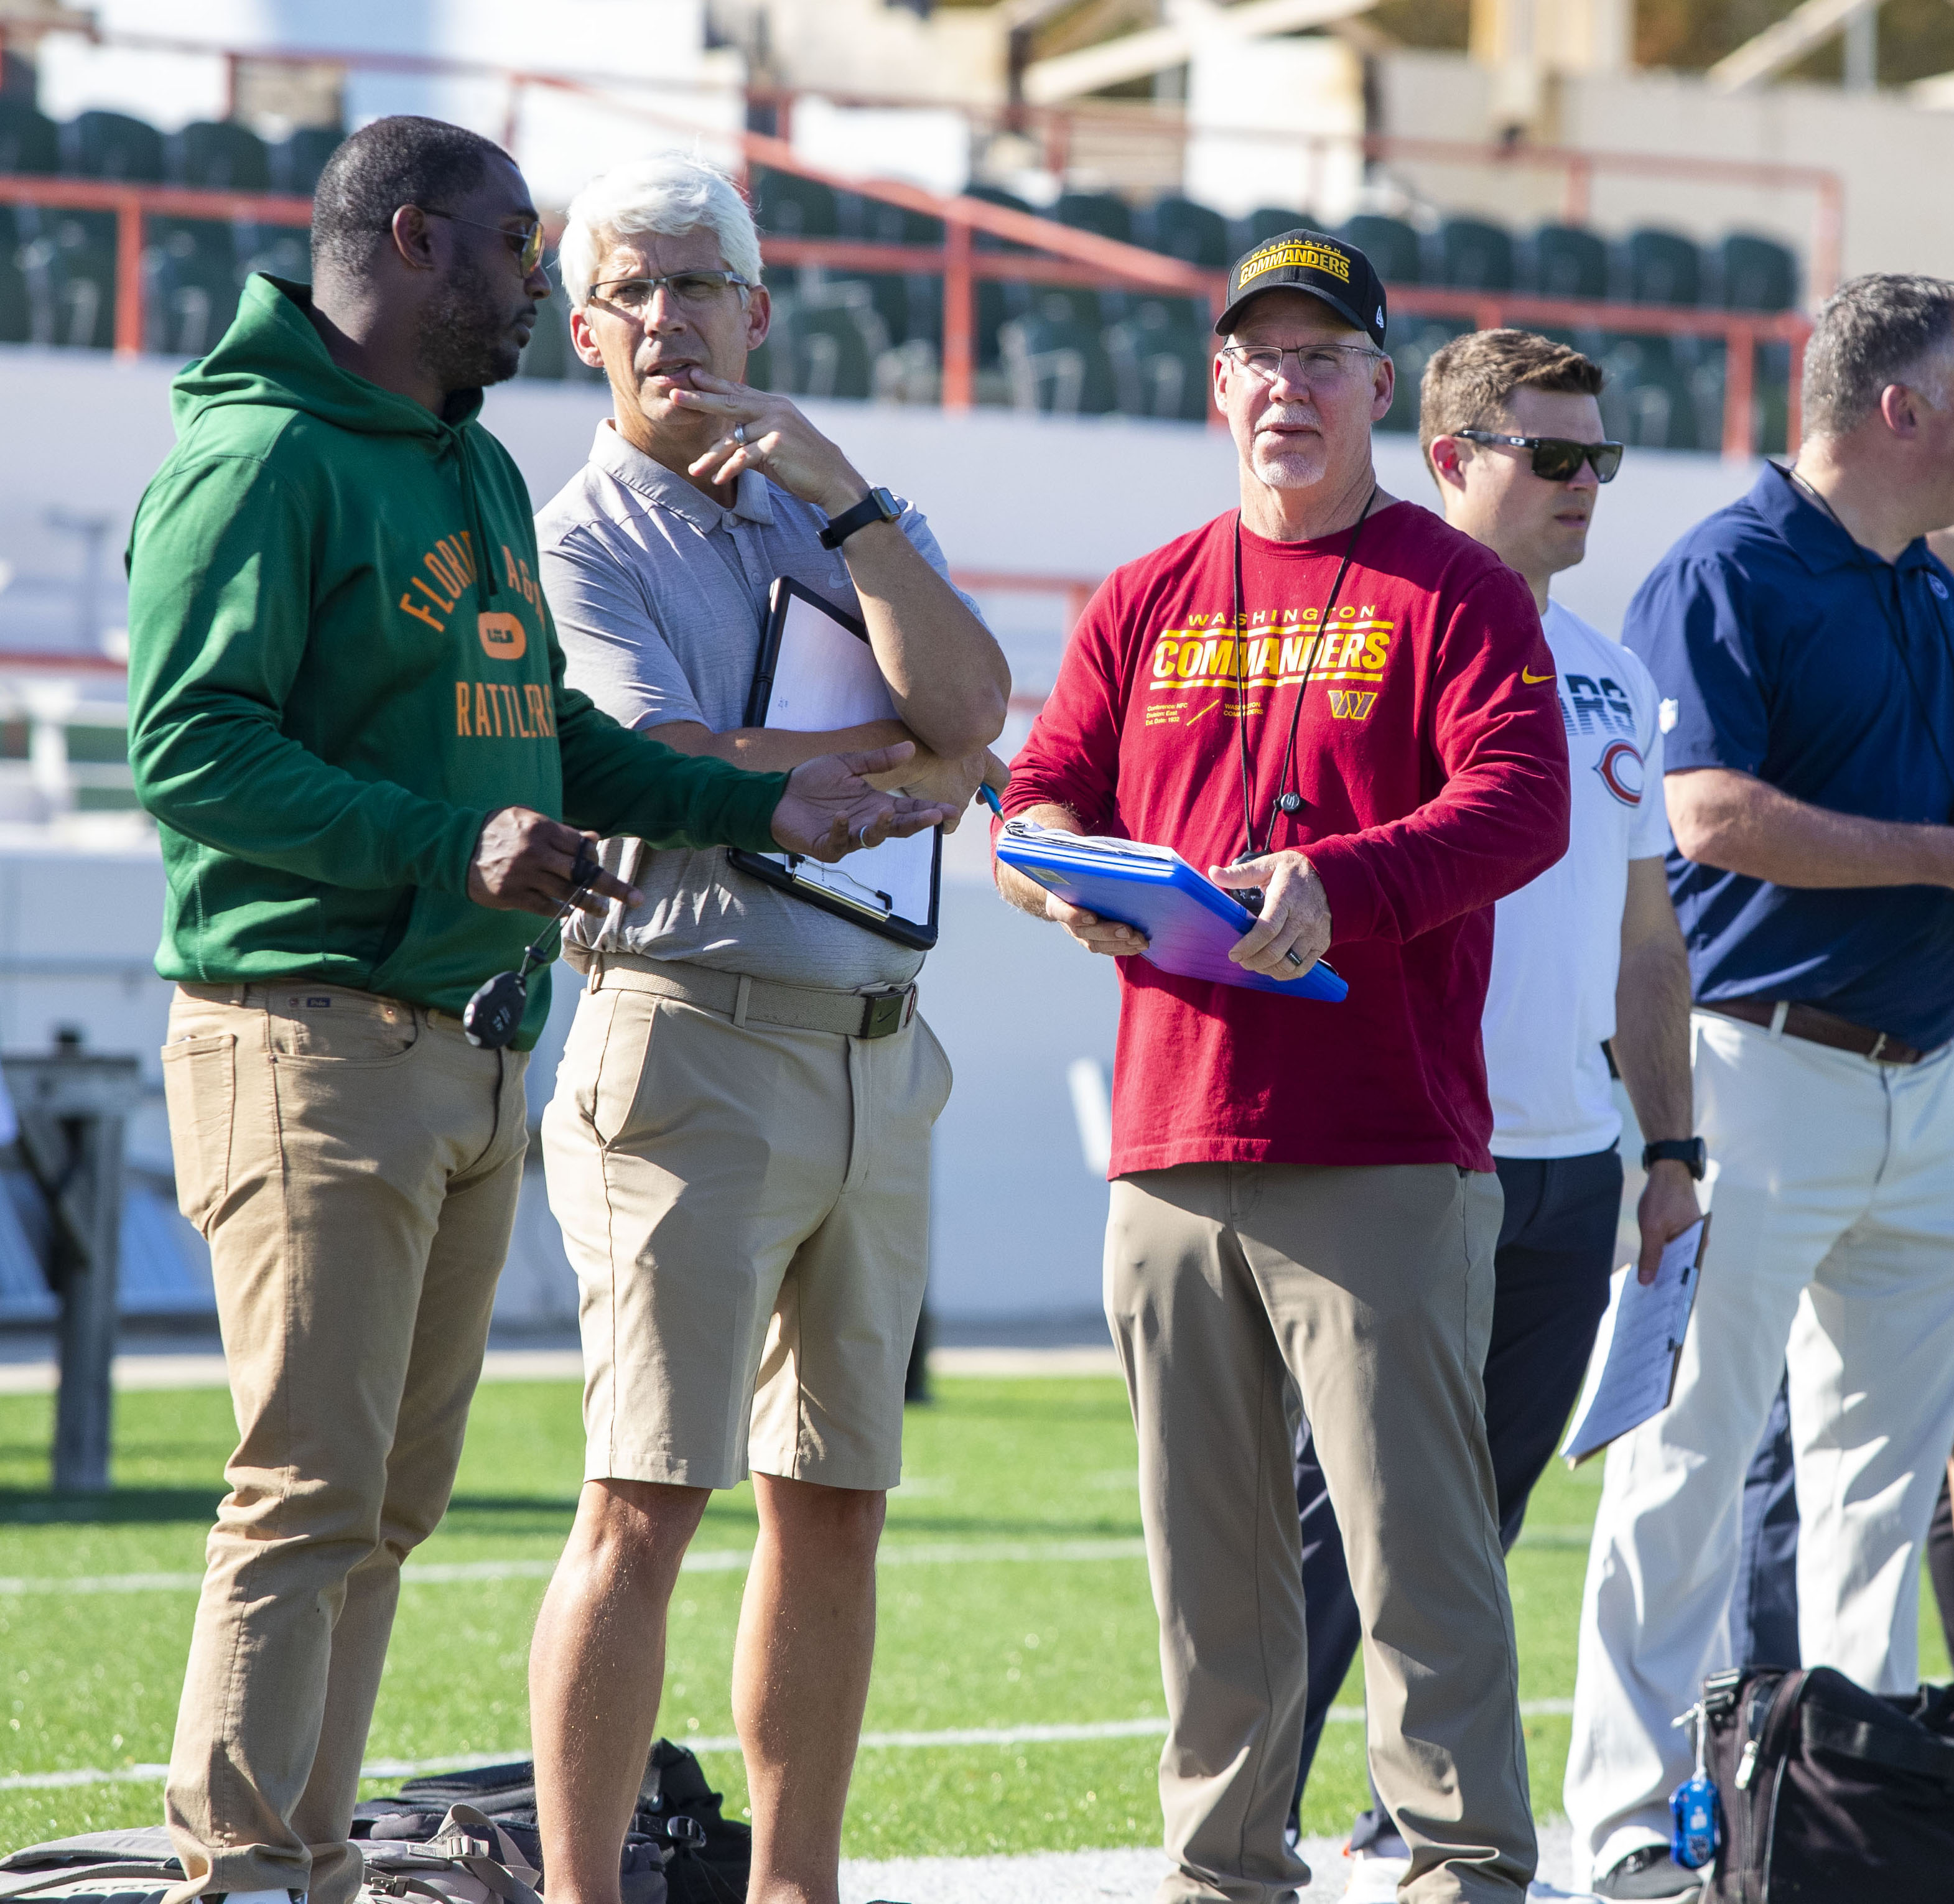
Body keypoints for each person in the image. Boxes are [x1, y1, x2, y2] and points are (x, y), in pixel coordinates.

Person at [124, 118, 946, 1904]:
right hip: (306, 1024)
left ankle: (307, 1861)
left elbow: (551, 742)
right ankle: (245, 1875)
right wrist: (453, 839)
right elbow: (187, 749)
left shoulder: (466, 472)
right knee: (307, 1497)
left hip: (467, 1036)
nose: (539, 288)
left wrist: (760, 803)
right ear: (416, 244)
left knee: (383, 1510)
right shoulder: (259, 459)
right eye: (519, 250)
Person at [995, 230, 1567, 1904]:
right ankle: (1221, 1863)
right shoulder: (1142, 593)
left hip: (1378, 1141)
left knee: (1413, 1549)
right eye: (1262, 355)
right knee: (1210, 1562)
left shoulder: (1451, 585)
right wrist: (1060, 874)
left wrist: (1344, 888)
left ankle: (1462, 1861)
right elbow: (1039, 794)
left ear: (1381, 386)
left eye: (1326, 356)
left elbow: (1519, 800)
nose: (1290, 384)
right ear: (1219, 385)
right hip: (1170, 1141)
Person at [1563, 274, 1954, 1902]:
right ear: (1897, 411)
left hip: (1924, 1081)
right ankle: (1625, 1827)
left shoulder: (1932, 588)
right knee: (1687, 1462)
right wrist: (1952, 856)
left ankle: (1847, 1815)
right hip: (1753, 1072)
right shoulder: (1724, 570)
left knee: (1883, 1480)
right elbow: (1707, 811)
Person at [519, 155, 1011, 1904]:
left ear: (758, 310)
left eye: (698, 285)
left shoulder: (834, 496)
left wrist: (851, 499)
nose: (669, 319)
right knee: (643, 1498)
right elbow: (676, 762)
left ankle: (795, 1888)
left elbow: (978, 711)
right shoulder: (569, 531)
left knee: (836, 1499)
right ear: (582, 331)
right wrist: (903, 768)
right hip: (692, 1035)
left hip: (878, 1046)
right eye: (633, 291)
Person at [1280, 328, 1701, 1899]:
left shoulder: (1612, 670)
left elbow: (1644, 945)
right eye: (1556, 455)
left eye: (1601, 457)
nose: (1587, 485)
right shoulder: (1373, 632)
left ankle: (1410, 1812)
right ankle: (1235, 1835)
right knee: (1335, 1534)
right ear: (1450, 459)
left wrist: (1665, 1150)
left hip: (1567, 1163)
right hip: (1402, 1151)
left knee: (1469, 1531)